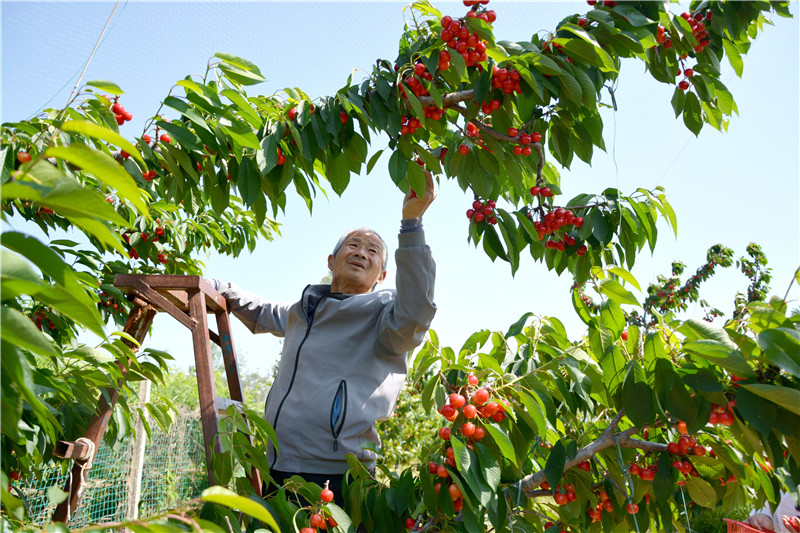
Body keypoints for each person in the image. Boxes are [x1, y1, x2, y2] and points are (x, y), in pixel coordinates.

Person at [208, 173, 437, 506]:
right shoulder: (304, 310)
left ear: (381, 276)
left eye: (373, 250)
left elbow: (417, 311)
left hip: (338, 475)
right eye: (353, 245)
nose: (362, 252)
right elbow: (260, 311)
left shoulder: (384, 316)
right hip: (276, 467)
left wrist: (411, 224)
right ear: (332, 261)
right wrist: (220, 286)